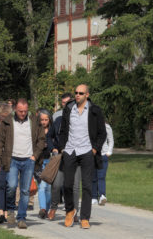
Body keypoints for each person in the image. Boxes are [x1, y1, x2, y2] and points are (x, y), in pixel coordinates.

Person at [58, 84, 107, 229]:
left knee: (86, 186)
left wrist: (94, 149)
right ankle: (70, 210)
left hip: (87, 151)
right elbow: (63, 131)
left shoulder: (95, 110)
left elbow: (102, 133)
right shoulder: (68, 109)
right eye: (76, 93)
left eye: (80, 93)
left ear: (87, 95)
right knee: (67, 184)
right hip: (70, 150)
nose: (77, 95)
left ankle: (85, 217)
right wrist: (62, 148)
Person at [0, 98, 45, 230]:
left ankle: (21, 217)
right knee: (11, 186)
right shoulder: (7, 122)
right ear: (15, 109)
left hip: (28, 160)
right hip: (12, 160)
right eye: (20, 111)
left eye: (25, 111)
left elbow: (41, 140)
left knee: (25, 191)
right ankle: (10, 209)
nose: (23, 114)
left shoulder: (34, 121)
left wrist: (35, 156)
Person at [36, 109, 57, 219]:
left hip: (50, 161)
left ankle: (47, 209)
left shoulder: (53, 131)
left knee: (48, 187)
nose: (44, 122)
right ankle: (42, 208)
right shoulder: (35, 130)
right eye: (42, 120)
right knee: (41, 186)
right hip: (39, 162)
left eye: (46, 119)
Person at [91, 121, 114, 206]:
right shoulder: (89, 126)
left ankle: (102, 195)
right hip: (92, 155)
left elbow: (111, 140)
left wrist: (109, 152)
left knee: (101, 176)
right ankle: (94, 197)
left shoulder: (106, 127)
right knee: (93, 177)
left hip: (103, 155)